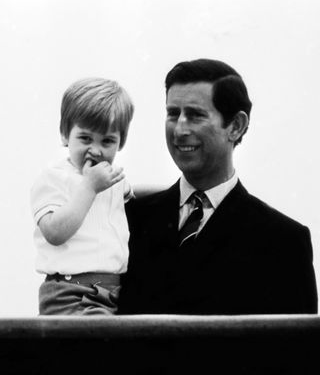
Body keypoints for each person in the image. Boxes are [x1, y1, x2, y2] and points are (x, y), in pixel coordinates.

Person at [118, 58, 318, 315]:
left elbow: (297, 351)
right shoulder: (128, 218)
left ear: (236, 126)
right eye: (173, 113)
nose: (179, 129)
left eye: (195, 115)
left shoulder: (283, 242)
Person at [31, 77, 134, 315]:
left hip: (112, 291)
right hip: (70, 292)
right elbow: (54, 233)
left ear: (121, 142)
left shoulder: (113, 180)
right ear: (66, 134)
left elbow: (136, 197)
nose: (96, 150)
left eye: (107, 140)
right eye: (85, 138)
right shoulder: (54, 178)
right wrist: (89, 186)